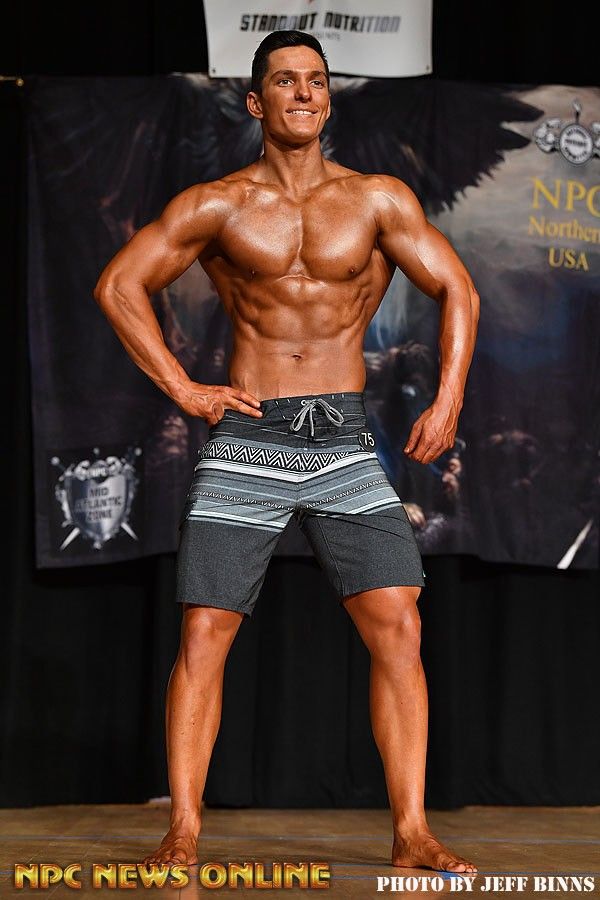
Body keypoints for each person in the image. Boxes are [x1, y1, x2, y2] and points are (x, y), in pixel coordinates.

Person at [93, 30, 480, 873]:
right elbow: (119, 284)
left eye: (315, 81)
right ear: (255, 101)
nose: (303, 93)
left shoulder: (377, 199)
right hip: (250, 434)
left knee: (399, 624)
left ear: (329, 99)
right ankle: (183, 829)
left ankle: (412, 831)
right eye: (284, 81)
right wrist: (185, 389)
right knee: (205, 630)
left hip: (342, 436)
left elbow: (457, 286)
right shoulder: (218, 204)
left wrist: (449, 396)